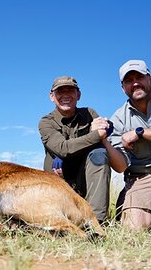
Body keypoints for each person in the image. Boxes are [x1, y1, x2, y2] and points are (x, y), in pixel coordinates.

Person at [39, 76, 126, 223]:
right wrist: (96, 135)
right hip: (58, 182)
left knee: (99, 154)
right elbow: (62, 148)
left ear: (78, 95)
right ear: (52, 96)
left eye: (70, 90)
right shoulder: (46, 122)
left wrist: (106, 127)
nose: (66, 95)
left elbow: (105, 131)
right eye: (60, 91)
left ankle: (97, 222)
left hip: (84, 179)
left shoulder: (89, 113)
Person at [109, 59, 151, 230]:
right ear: (122, 88)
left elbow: (139, 133)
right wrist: (104, 141)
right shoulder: (118, 119)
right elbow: (120, 167)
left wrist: (139, 132)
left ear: (149, 78)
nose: (135, 83)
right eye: (128, 80)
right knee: (132, 228)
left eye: (139, 77)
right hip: (142, 177)